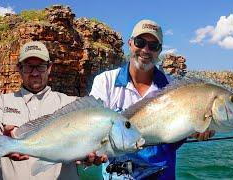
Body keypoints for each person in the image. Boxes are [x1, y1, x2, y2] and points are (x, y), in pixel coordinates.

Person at [90, 19, 215, 179]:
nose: (145, 50)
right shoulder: (105, 81)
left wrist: (199, 129)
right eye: (140, 42)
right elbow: (93, 128)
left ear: (159, 50)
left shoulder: (175, 88)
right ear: (130, 43)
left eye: (153, 46)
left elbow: (184, 127)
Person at [0, 41, 82, 180]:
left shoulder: (71, 104)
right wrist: (2, 144)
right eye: (28, 67)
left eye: (41, 67)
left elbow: (89, 143)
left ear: (49, 68)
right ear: (19, 68)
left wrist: (91, 153)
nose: (35, 73)